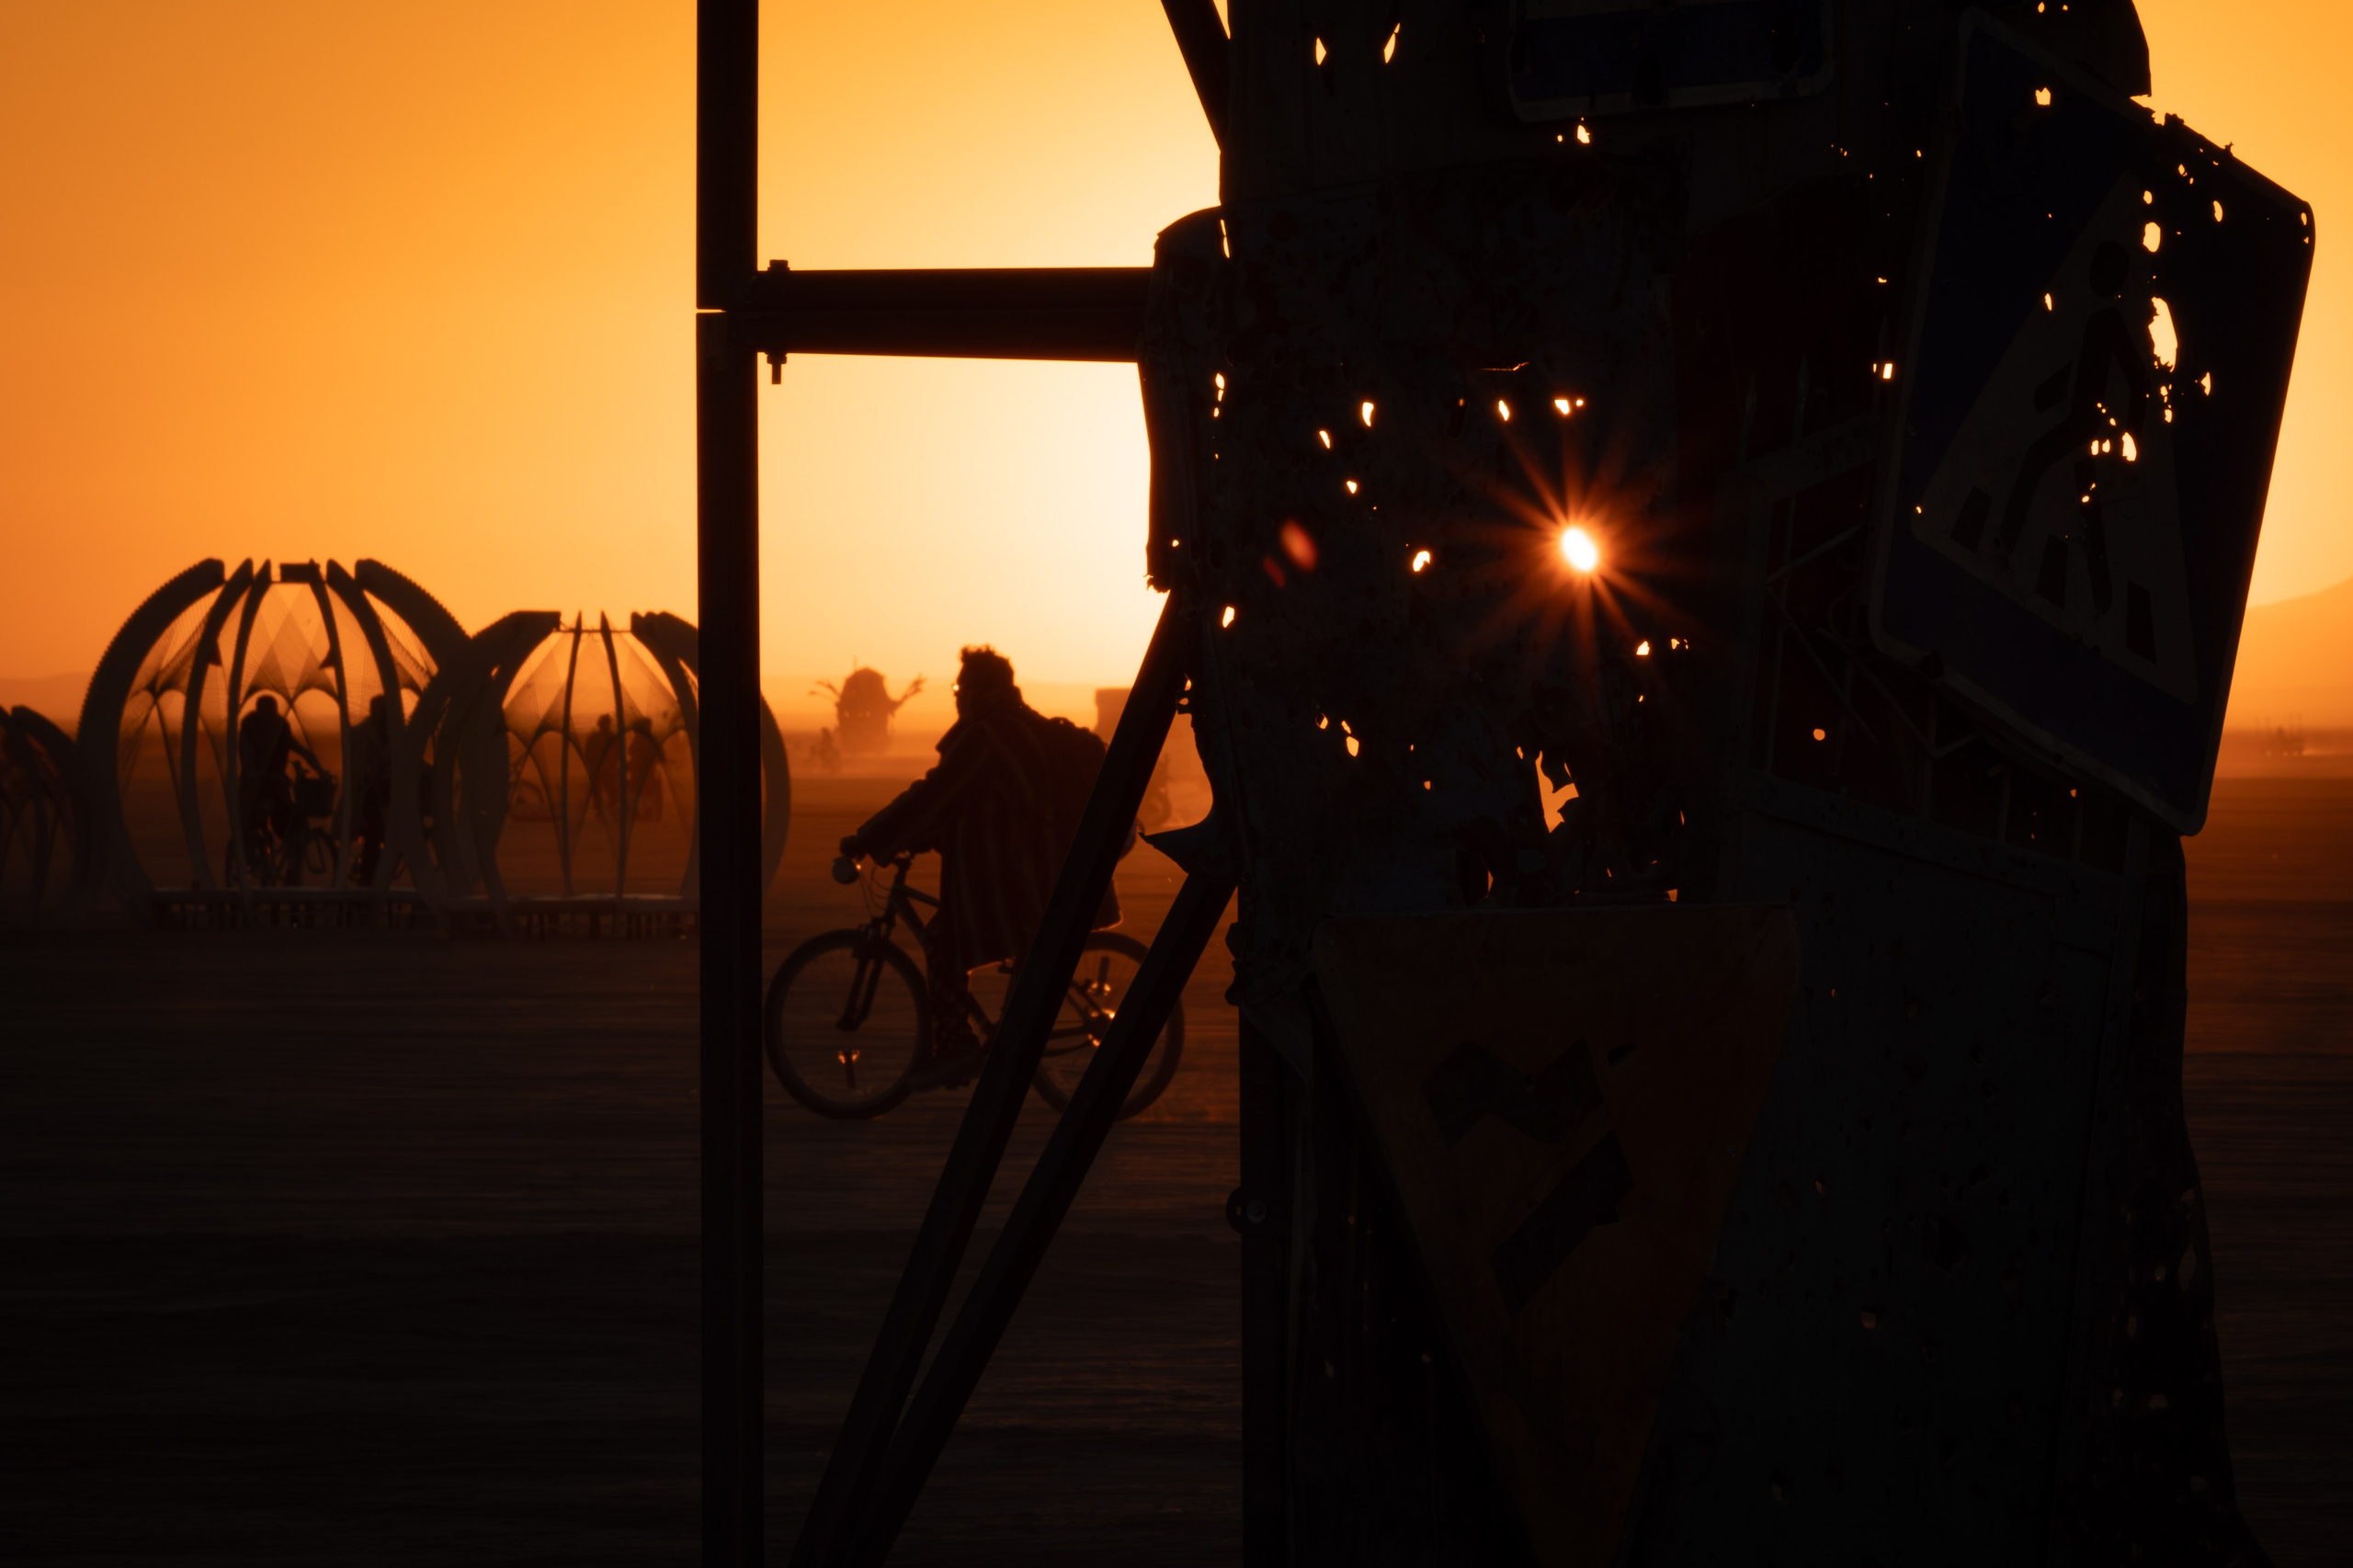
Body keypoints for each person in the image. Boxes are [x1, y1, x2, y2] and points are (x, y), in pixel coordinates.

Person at [836, 645, 1121, 1057]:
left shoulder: (989, 736)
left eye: (958, 688)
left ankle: (956, 1046)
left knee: (944, 941)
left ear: (974, 691)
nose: (956, 697)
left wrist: (869, 839)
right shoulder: (1021, 724)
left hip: (1032, 880)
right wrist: (925, 835)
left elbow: (936, 794)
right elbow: (975, 802)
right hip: (1058, 873)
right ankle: (1004, 1038)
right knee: (1002, 944)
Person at [235, 693, 322, 874]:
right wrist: (256, 774)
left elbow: (302, 750)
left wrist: (321, 771)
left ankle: (291, 867)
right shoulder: (250, 730)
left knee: (292, 823)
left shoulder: (279, 729)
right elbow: (248, 760)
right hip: (256, 787)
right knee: (252, 822)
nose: (271, 714)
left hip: (275, 786)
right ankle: (254, 859)